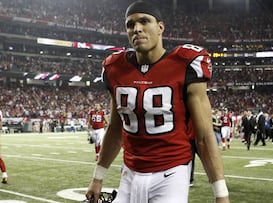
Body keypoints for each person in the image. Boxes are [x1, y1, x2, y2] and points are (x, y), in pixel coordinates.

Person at [85, 1, 230, 203]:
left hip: (171, 173)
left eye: (144, 21)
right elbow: (115, 130)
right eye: (130, 24)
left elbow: (204, 136)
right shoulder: (114, 67)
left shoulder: (186, 64)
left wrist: (221, 193)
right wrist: (97, 178)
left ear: (160, 27)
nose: (137, 29)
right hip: (129, 172)